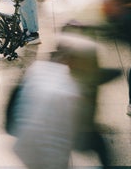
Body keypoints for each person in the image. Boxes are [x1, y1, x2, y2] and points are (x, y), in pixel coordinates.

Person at [9, 33, 119, 169]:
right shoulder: (71, 92)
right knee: (98, 144)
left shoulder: (39, 68)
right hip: (46, 155)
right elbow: (77, 139)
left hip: (24, 145)